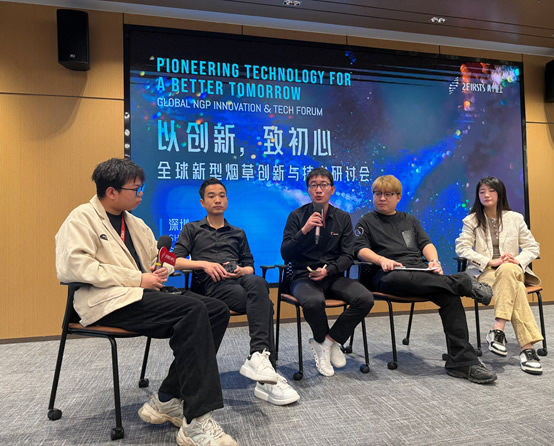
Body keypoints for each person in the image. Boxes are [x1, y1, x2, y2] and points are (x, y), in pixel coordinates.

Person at [55, 158, 236, 446]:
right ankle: (197, 420)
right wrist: (138, 279)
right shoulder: (81, 219)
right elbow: (73, 268)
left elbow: (157, 258)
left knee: (215, 310)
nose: (141, 194)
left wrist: (163, 268)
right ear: (111, 191)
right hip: (106, 302)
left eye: (142, 188)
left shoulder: (136, 223)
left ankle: (166, 398)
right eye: (136, 189)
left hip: (141, 295)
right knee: (192, 310)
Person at [355, 175, 497, 384]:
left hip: (418, 271)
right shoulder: (366, 221)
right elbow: (360, 250)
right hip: (386, 273)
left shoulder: (409, 220)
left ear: (398, 197)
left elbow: (426, 244)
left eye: (387, 194)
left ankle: (462, 362)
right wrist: (381, 259)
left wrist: (434, 262)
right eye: (377, 194)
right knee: (400, 279)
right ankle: (463, 282)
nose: (382, 198)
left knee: (449, 297)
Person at [173, 178, 299, 406]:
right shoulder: (191, 229)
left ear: (227, 200)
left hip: (239, 280)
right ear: (202, 202)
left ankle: (259, 357)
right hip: (211, 287)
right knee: (265, 304)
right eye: (211, 196)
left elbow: (250, 265)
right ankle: (265, 367)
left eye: (221, 195)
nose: (217, 200)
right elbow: (175, 261)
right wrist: (204, 265)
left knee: (258, 281)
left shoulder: (238, 232)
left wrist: (242, 270)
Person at [281, 167, 374, 377]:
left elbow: (348, 255)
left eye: (323, 185)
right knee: (313, 302)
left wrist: (329, 270)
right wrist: (304, 230)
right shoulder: (296, 217)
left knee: (365, 298)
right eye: (313, 185)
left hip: (333, 276)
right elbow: (285, 253)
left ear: (332, 189)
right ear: (308, 190)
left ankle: (328, 342)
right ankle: (323, 342)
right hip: (303, 277)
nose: (318, 190)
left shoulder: (342, 218)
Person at [455, 176, 543, 375]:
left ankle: (498, 329)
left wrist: (517, 260)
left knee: (508, 269)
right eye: (482, 192)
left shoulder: (515, 218)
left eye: (491, 190)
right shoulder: (471, 220)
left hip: (512, 269)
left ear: (500, 193)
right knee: (517, 288)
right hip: (486, 272)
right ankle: (527, 349)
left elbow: (533, 247)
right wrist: (489, 261)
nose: (486, 195)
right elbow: (462, 248)